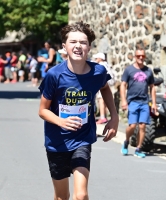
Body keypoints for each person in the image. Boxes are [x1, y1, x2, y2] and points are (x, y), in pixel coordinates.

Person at [38, 21, 119, 200]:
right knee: (61, 196)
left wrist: (114, 117)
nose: (78, 46)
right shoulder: (54, 75)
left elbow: (105, 88)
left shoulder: (98, 72)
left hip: (82, 138)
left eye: (82, 42)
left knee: (81, 195)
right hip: (56, 141)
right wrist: (61, 121)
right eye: (73, 42)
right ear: (64, 46)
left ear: (89, 47)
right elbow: (42, 110)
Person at [120, 48, 157, 158]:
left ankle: (138, 148)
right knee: (132, 126)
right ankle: (126, 141)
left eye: (143, 56)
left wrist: (154, 103)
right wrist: (123, 101)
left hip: (144, 102)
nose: (141, 58)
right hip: (133, 101)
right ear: (135, 57)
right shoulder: (129, 70)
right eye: (138, 56)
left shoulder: (148, 71)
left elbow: (152, 87)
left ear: (145, 57)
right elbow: (123, 85)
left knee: (142, 126)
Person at [93, 52, 115, 124]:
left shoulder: (101, 66)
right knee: (104, 100)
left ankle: (102, 117)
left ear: (100, 58)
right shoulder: (107, 65)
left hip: (102, 85)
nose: (96, 59)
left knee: (101, 100)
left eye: (96, 58)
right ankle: (104, 116)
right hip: (108, 84)